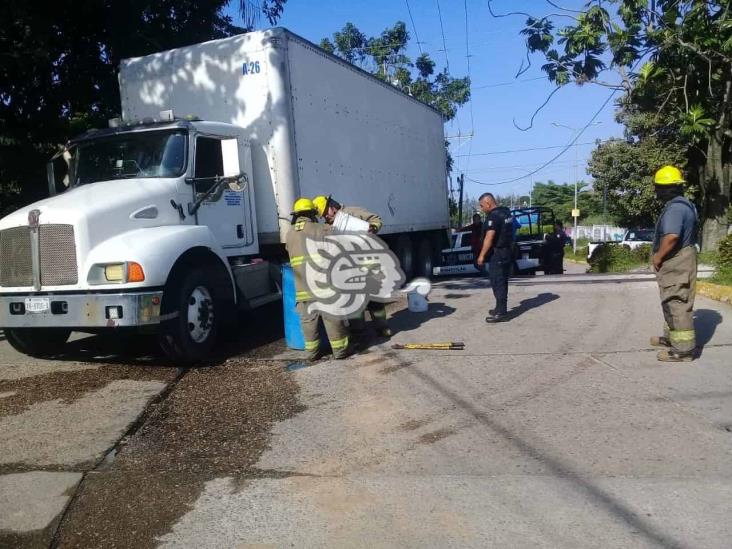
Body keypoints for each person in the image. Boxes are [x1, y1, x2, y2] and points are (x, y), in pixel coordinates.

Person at [312, 195, 391, 337]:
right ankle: (358, 331)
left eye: (325, 213)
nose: (325, 217)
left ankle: (382, 326)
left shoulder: (353, 212)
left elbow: (376, 219)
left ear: (332, 207)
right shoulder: (329, 225)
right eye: (323, 216)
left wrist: (372, 228)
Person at [285, 198, 351, 360]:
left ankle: (312, 353)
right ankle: (340, 352)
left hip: (303, 290)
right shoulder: (323, 229)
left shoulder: (290, 234)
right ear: (312, 213)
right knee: (333, 320)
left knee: (308, 322)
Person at [650, 165, 699, 362]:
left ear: (667, 188)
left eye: (658, 187)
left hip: (676, 261)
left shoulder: (675, 209)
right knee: (671, 301)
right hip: (680, 259)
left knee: (677, 303)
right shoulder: (683, 205)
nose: (656, 191)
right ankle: (672, 339)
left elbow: (671, 237)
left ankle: (683, 351)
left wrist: (658, 256)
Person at [476, 192, 515, 322]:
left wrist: (481, 256)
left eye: (482, 206)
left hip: (498, 253)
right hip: (507, 250)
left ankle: (501, 313)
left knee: (498, 282)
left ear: (488, 203)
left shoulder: (493, 216)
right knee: (502, 281)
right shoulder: (506, 212)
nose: (482, 209)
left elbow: (489, 237)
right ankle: (499, 308)